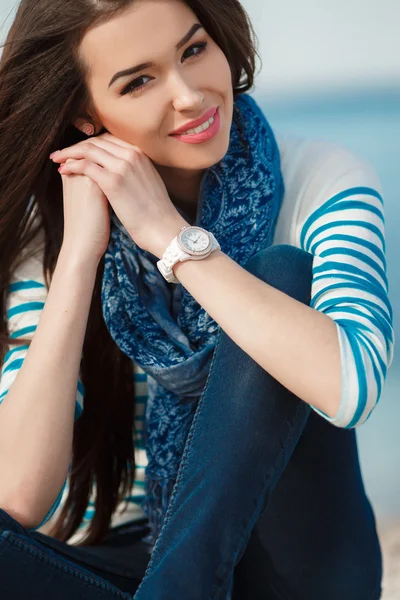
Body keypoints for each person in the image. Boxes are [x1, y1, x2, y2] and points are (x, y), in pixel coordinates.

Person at [0, 0, 394, 598]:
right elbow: (20, 496)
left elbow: (354, 385)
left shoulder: (322, 180)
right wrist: (80, 257)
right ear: (85, 114)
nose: (188, 95)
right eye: (138, 81)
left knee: (282, 274)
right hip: (135, 560)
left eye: (193, 50)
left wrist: (172, 240)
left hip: (298, 570)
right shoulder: (55, 235)